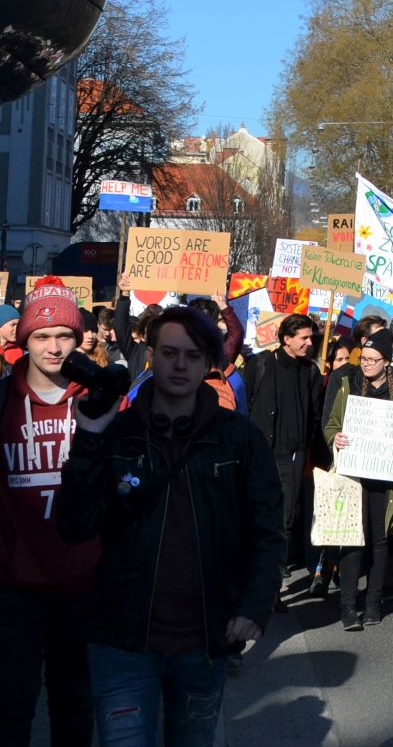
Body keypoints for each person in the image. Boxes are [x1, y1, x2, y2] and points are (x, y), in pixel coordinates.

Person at [59, 305, 285, 746]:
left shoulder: (240, 438)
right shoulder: (116, 431)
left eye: (193, 355)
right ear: (150, 355)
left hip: (203, 641)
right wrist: (88, 438)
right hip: (121, 640)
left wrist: (255, 604)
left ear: (207, 363)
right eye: (169, 353)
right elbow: (74, 524)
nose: (180, 365)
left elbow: (267, 530)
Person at [1, 279, 105, 747]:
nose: (54, 346)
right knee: (11, 707)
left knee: (75, 707)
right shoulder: (2, 401)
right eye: (42, 336)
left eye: (64, 334)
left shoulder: (97, 401)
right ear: (24, 340)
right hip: (13, 587)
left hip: (81, 585)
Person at [324, 330, 393, 630]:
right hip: (353, 474)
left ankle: (373, 602)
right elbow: (331, 424)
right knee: (353, 538)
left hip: (384, 476)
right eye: (363, 358)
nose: (365, 364)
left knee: (379, 539)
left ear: (386, 362)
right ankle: (348, 607)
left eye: (372, 359)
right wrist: (335, 438)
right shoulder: (347, 385)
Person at [241, 312, 325, 613]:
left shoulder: (311, 372)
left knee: (284, 525)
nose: (308, 342)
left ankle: (272, 587)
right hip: (261, 457)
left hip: (293, 458)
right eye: (303, 338)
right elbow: (242, 406)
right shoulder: (261, 365)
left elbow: (315, 416)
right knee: (259, 522)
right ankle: (254, 585)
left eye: (310, 337)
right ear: (286, 339)